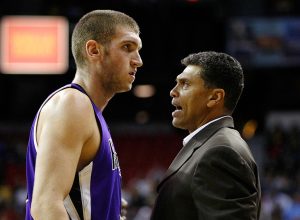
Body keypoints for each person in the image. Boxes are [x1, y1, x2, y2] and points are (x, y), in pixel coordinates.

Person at [25, 9, 143, 220]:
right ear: (94, 50)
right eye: (127, 47)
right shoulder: (73, 104)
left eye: (138, 50)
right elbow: (45, 207)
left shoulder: (88, 111)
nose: (138, 60)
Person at [151, 51, 261, 220]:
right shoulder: (213, 145)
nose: (173, 91)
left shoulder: (220, 152)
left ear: (215, 97)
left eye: (185, 84)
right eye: (176, 83)